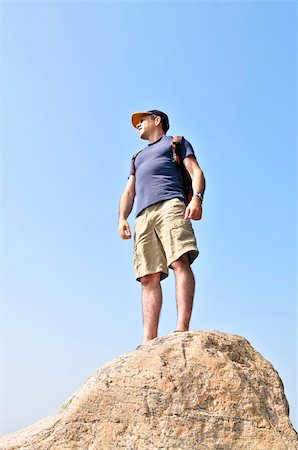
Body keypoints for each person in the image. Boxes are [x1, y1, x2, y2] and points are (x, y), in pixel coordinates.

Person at [118, 110, 205, 344]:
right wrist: (122, 218)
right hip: (143, 216)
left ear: (157, 121)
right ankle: (148, 339)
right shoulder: (137, 157)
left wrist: (196, 198)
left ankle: (181, 327)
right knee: (147, 277)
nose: (138, 124)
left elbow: (196, 172)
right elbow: (129, 191)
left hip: (171, 204)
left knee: (179, 261)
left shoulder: (176, 143)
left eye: (142, 120)